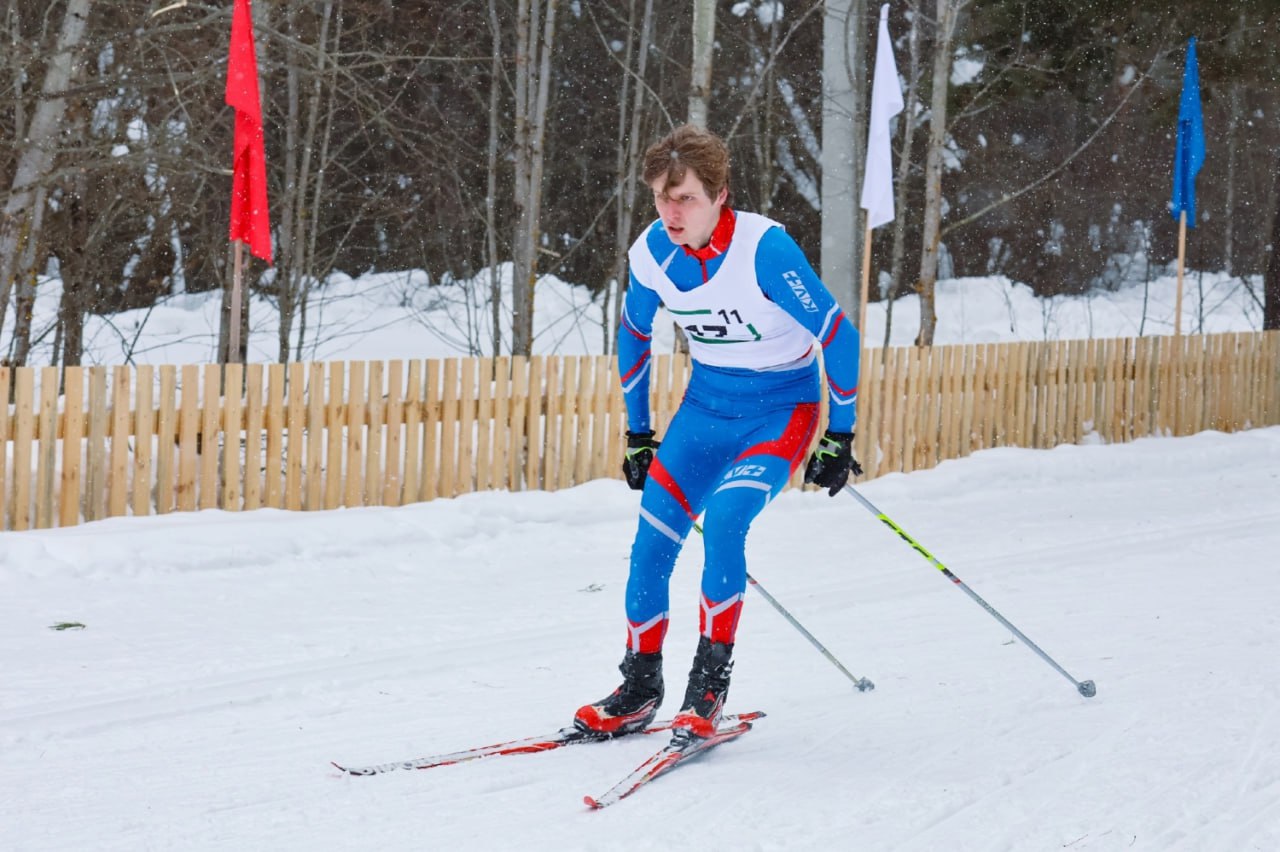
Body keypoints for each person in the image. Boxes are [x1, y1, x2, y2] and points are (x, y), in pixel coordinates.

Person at [574, 125, 863, 739]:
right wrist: (638, 434)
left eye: (686, 199)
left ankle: (707, 687)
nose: (671, 213)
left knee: (727, 522)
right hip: (705, 409)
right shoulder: (651, 254)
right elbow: (633, 334)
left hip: (780, 410)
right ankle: (639, 685)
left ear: (720, 195)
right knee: (652, 540)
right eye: (661, 197)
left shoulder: (765, 251)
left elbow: (838, 334)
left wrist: (840, 436)